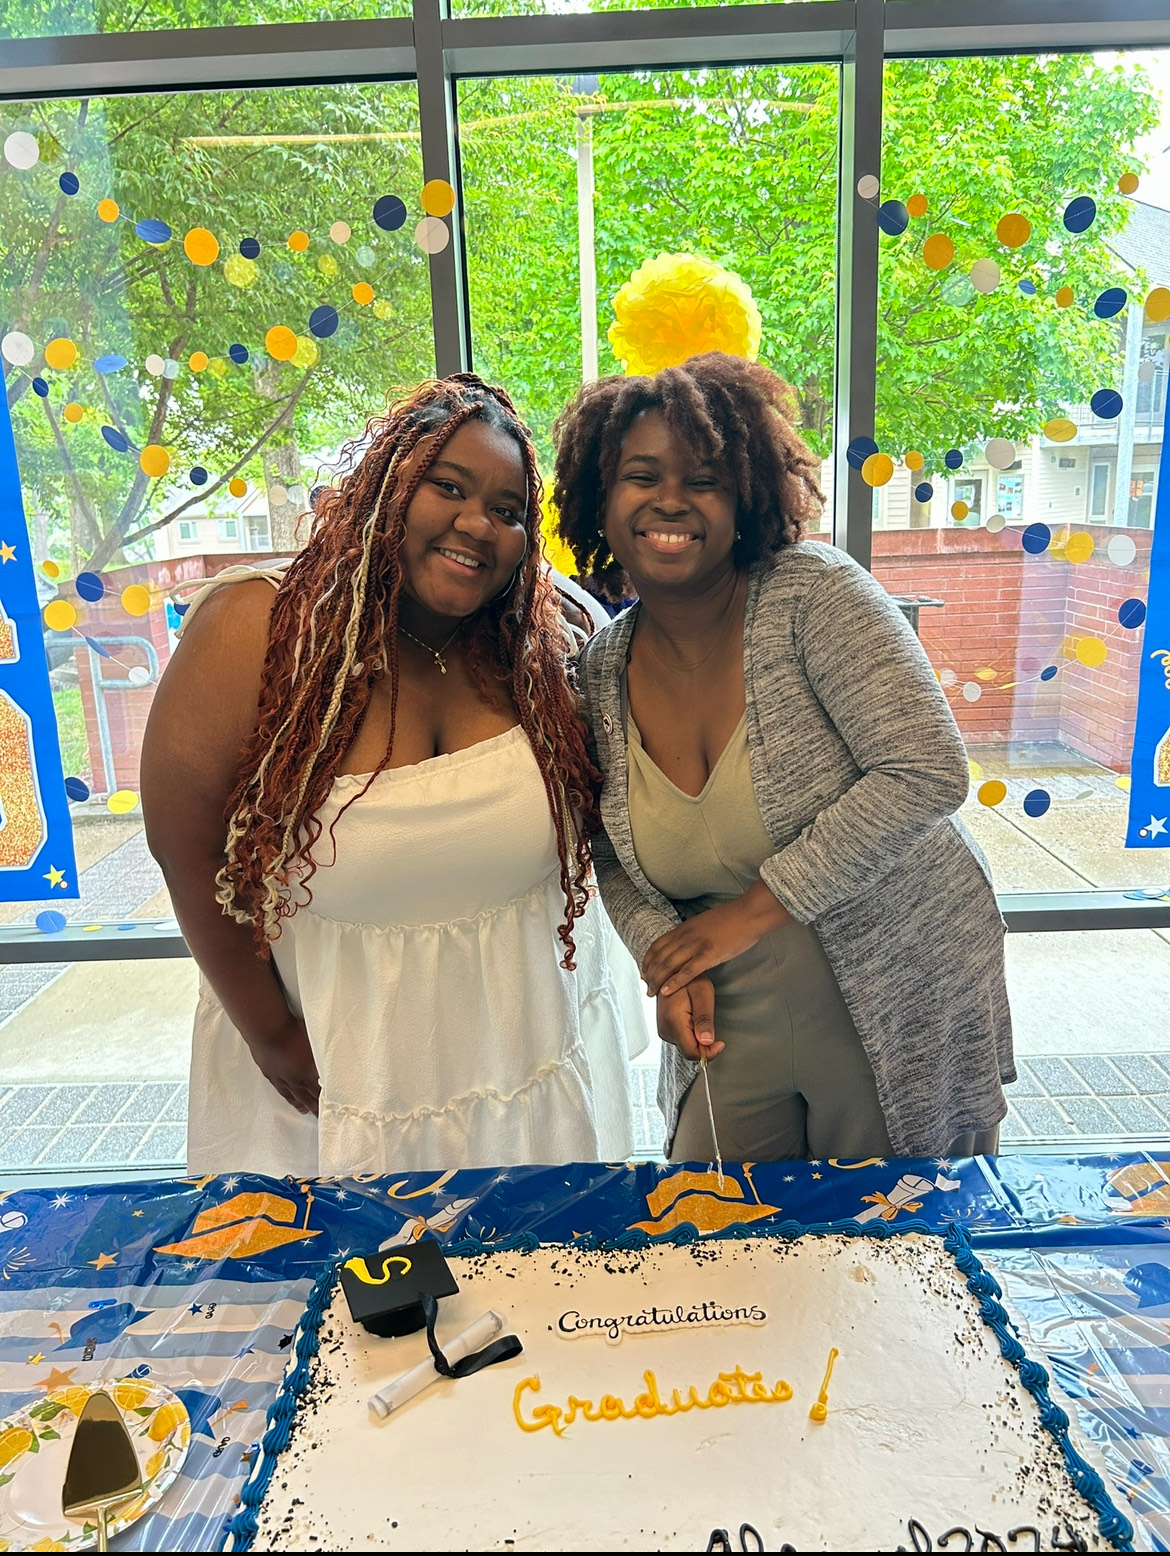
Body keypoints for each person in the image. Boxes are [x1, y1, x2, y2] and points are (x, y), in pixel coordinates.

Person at [142, 373, 645, 1178]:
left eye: (509, 511)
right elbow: (186, 849)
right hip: (331, 1063)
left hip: (518, 1057)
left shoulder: (544, 639)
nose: (477, 524)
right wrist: (269, 1032)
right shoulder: (258, 625)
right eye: (448, 486)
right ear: (386, 485)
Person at [552, 352, 1013, 1162]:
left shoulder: (812, 594)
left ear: (745, 497)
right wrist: (667, 959)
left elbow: (926, 769)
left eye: (704, 479)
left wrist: (749, 914)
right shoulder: (598, 670)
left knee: (897, 1229)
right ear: (600, 499)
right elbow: (607, 850)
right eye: (641, 476)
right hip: (729, 1014)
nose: (670, 499)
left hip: (897, 983)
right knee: (710, 1221)